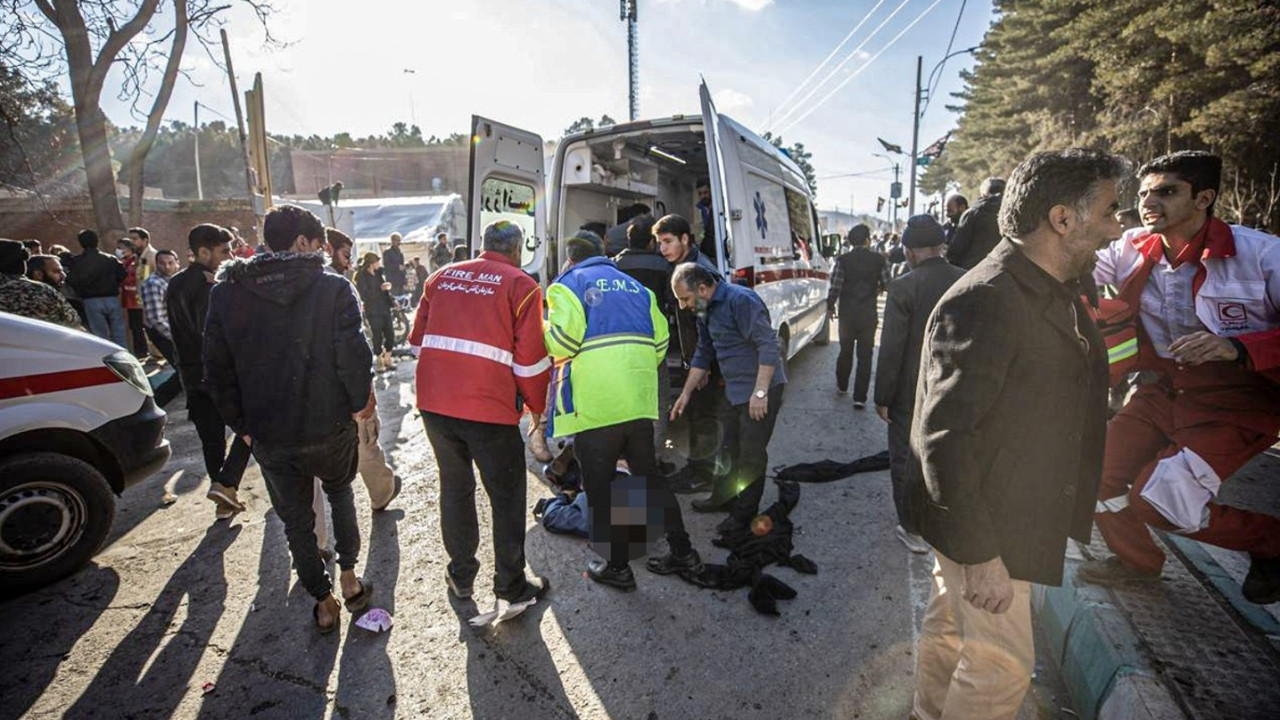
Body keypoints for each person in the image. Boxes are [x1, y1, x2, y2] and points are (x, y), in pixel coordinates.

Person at [909, 149, 1123, 720]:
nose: (1117, 226)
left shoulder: (1049, 286)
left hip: (1000, 516)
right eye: (1109, 211)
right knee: (1000, 669)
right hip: (990, 527)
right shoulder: (989, 298)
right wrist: (980, 555)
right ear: (1062, 218)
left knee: (951, 632)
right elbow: (945, 437)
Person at [1077, 151, 1280, 604]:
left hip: (1238, 404)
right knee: (1091, 471)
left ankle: (1271, 542)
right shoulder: (1131, 245)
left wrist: (1240, 347)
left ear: (1204, 198)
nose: (1149, 201)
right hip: (1161, 390)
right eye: (1145, 192)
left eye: (1166, 191)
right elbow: (1076, 264)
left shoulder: (1263, 254)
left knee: (1161, 500)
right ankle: (1137, 563)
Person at [203, 204, 377, 633]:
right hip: (329, 424)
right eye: (319, 244)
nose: (322, 252)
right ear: (302, 242)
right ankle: (350, 579)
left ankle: (323, 601)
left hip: (268, 431)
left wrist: (242, 424)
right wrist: (360, 404)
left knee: (296, 520)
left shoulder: (226, 292)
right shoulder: (332, 288)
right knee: (340, 496)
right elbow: (354, 356)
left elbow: (216, 370)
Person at [408, 219, 552, 611]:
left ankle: (460, 575)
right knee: (506, 497)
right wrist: (536, 408)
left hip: (435, 406)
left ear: (482, 245)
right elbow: (530, 363)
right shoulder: (521, 285)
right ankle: (510, 584)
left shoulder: (440, 278)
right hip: (489, 409)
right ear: (517, 250)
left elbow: (418, 342)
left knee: (455, 488)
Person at [544, 232, 695, 591]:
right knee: (651, 480)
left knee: (597, 489)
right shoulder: (635, 287)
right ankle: (684, 551)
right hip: (637, 403)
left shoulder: (567, 284)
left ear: (571, 258)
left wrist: (544, 327)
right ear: (604, 255)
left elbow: (562, 342)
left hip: (598, 405)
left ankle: (617, 567)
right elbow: (661, 343)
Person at [671, 261, 787, 539]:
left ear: (702, 288)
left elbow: (768, 345)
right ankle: (721, 497)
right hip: (735, 390)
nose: (684, 306)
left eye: (685, 299)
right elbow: (703, 351)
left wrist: (760, 392)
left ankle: (743, 514)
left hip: (761, 389)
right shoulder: (704, 309)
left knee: (750, 454)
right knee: (726, 446)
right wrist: (685, 393)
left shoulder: (740, 301)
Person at [873, 215, 966, 555]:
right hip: (957, 387)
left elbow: (892, 348)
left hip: (911, 393)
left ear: (910, 252)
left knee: (905, 459)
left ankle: (912, 528)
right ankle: (945, 522)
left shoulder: (903, 286)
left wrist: (882, 396)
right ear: (942, 246)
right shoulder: (966, 280)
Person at [165, 224, 252, 521]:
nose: (229, 256)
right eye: (224, 251)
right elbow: (212, 333)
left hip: (190, 373)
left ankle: (223, 499)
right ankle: (227, 483)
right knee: (250, 426)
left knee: (211, 439)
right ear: (203, 252)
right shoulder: (208, 285)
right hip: (215, 373)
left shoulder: (175, 283)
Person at [323, 227, 399, 512]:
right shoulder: (337, 285)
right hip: (345, 383)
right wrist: (366, 391)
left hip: (316, 388)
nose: (348, 261)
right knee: (365, 440)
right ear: (327, 249)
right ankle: (382, 492)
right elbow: (354, 345)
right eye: (345, 254)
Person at [654, 213, 725, 500]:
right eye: (660, 243)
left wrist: (703, 363)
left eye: (668, 241)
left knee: (704, 415)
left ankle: (703, 475)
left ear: (685, 239)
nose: (663, 249)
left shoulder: (699, 271)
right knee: (697, 414)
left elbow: (707, 323)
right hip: (694, 357)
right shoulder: (683, 266)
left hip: (705, 359)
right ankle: (699, 469)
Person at [614, 214, 678, 470]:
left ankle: (624, 458)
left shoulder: (613, 265)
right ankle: (654, 458)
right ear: (651, 242)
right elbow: (673, 303)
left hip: (618, 346)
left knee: (624, 402)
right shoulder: (663, 267)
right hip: (652, 345)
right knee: (658, 403)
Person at [827, 224, 886, 408]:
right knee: (865, 355)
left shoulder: (842, 260)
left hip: (847, 314)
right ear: (868, 240)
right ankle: (860, 397)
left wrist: (830, 306)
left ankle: (842, 385)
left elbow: (836, 285)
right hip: (868, 313)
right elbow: (887, 283)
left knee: (845, 351)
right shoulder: (879, 260)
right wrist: (875, 290)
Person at [0, 240, 82, 329]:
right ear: (38, 274)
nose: (63, 275)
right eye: (56, 271)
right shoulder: (44, 291)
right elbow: (74, 322)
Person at [67, 229, 127, 346]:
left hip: (90, 300)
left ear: (81, 243)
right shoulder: (110, 259)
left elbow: (71, 280)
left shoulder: (77, 261)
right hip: (112, 298)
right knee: (119, 333)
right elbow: (122, 274)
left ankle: (104, 359)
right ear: (97, 241)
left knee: (100, 336)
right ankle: (123, 355)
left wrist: (80, 290)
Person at [138, 249, 182, 404]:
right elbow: (156, 319)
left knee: (186, 371)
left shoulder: (174, 280)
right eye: (162, 263)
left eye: (170, 263)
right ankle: (155, 402)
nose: (167, 267)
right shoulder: (153, 284)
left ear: (177, 263)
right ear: (156, 264)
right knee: (184, 370)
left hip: (174, 330)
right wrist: (179, 337)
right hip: (163, 333)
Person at [948, 176, 1006, 270]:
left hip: (973, 271)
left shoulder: (971, 214)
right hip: (1005, 271)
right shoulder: (1014, 212)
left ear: (983, 194)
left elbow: (956, 249)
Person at [355, 252, 397, 372]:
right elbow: (364, 294)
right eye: (377, 261)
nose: (379, 263)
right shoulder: (361, 276)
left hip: (384, 308)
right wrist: (380, 289)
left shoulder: (379, 273)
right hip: (373, 310)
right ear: (371, 263)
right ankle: (380, 361)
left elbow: (385, 291)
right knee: (377, 335)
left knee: (390, 334)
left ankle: (388, 358)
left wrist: (392, 300)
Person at [116, 237, 148, 358]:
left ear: (129, 249)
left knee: (139, 326)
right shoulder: (123, 263)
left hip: (137, 299)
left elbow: (144, 276)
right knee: (134, 327)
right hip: (128, 299)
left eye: (121, 248)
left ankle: (143, 352)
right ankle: (139, 351)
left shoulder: (138, 261)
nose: (118, 251)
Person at [695, 178, 716, 260]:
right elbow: (699, 232)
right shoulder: (698, 210)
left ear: (711, 191)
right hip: (705, 249)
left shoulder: (719, 207)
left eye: (705, 192)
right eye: (700, 193)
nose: (702, 196)